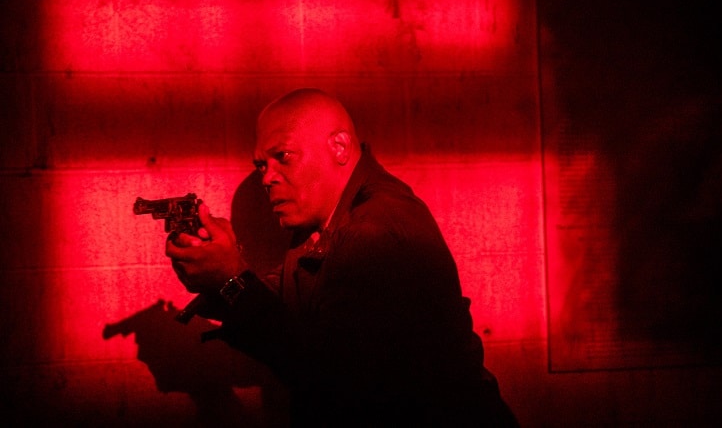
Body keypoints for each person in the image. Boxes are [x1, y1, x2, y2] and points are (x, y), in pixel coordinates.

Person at [166, 88, 518, 426]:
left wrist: (231, 279)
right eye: (261, 165)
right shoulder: (323, 221)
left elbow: (328, 372)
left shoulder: (377, 227)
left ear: (339, 147)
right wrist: (216, 275)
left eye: (282, 157)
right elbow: (292, 298)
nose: (268, 178)